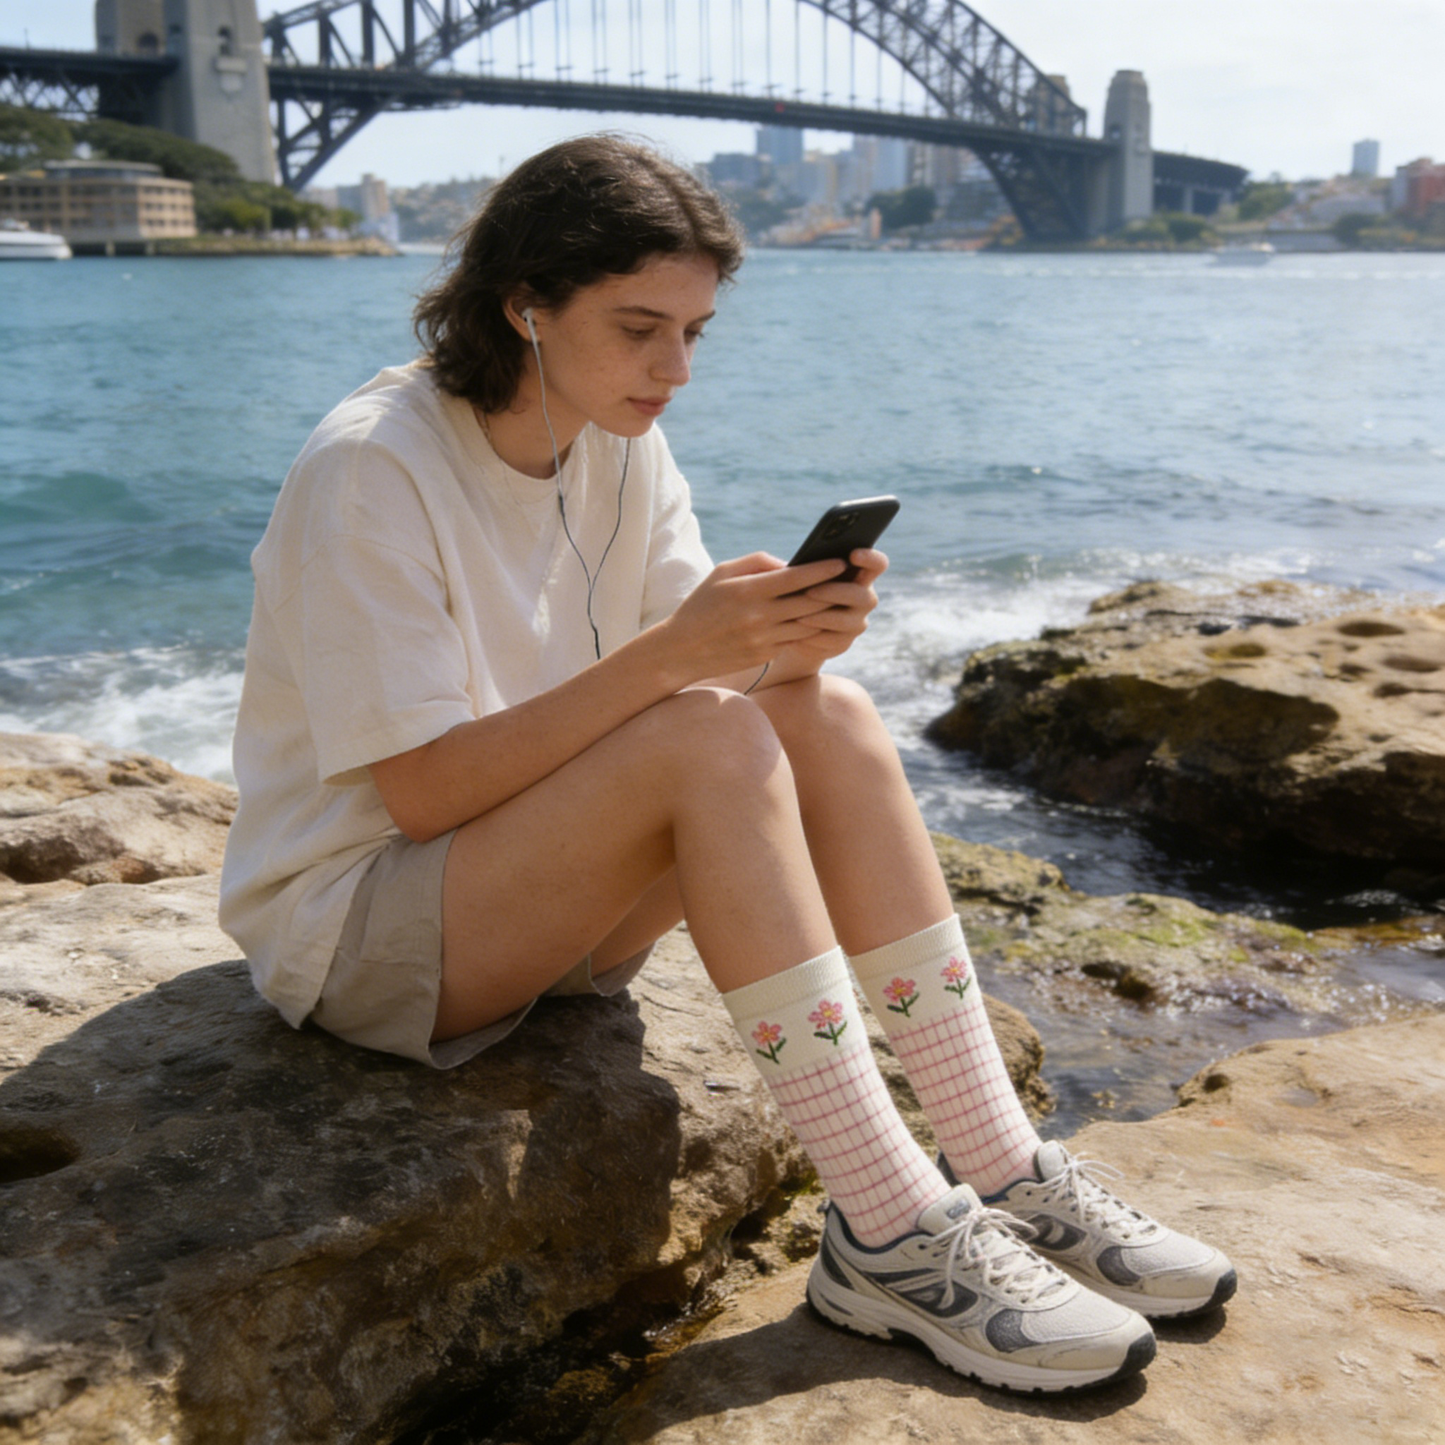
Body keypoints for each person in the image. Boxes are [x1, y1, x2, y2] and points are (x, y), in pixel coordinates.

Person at [219, 134, 1234, 1396]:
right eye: (640, 326)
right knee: (706, 726)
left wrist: (780, 643)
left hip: (533, 905)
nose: (674, 369)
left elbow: (690, 691)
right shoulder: (371, 465)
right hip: (366, 934)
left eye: (694, 330)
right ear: (521, 304)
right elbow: (423, 792)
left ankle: (997, 1161)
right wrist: (683, 658)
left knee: (831, 713)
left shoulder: (613, 437)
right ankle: (884, 1226)